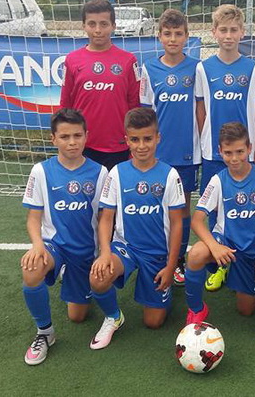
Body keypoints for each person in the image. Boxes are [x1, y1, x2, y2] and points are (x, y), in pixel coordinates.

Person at [88, 107, 185, 349]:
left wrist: (171, 266)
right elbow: (106, 218)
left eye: (147, 139)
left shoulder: (170, 175)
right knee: (98, 277)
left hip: (157, 253)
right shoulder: (117, 173)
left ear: (158, 138)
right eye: (135, 139)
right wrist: (105, 252)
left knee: (153, 322)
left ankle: (159, 290)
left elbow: (177, 224)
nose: (141, 146)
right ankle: (113, 317)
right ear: (127, 140)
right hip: (126, 247)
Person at [20, 108, 110, 365]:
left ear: (86, 136)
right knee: (31, 268)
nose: (72, 142)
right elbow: (33, 217)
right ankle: (44, 333)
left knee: (77, 317)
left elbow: (105, 219)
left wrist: (103, 253)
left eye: (77, 136)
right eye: (65, 136)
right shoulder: (41, 171)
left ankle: (71, 276)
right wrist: (37, 245)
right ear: (53, 139)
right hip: (54, 245)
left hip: (85, 252)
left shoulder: (100, 172)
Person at [195, 4, 255, 291]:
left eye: (233, 30)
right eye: (223, 30)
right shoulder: (203, 67)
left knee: (244, 206)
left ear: (242, 32)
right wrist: (206, 141)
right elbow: (201, 108)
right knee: (215, 210)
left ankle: (250, 259)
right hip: (213, 153)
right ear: (214, 32)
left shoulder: (253, 68)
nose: (228, 35)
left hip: (244, 154)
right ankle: (219, 263)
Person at [184, 122, 255, 324]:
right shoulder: (218, 180)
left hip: (251, 249)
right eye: (228, 153)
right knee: (196, 254)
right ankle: (196, 309)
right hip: (225, 242)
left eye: (239, 152)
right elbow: (197, 220)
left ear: (249, 148)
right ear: (220, 151)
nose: (234, 158)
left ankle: (249, 280)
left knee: (246, 310)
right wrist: (215, 246)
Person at [140, 8, 200, 286]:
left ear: (187, 36)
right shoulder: (149, 69)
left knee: (182, 208)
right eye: (167, 34)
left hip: (187, 151)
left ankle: (178, 261)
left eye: (178, 34)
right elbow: (145, 113)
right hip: (158, 153)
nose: (173, 39)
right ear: (159, 37)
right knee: (156, 207)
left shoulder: (197, 68)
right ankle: (157, 257)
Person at [60, 0, 140, 171]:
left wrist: (133, 140)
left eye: (104, 24)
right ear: (83, 26)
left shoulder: (128, 60)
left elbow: (134, 106)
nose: (98, 30)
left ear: (113, 26)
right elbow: (66, 105)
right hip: (82, 145)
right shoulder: (72, 60)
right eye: (92, 24)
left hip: (118, 146)